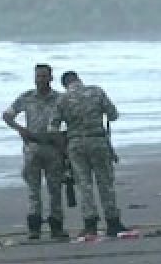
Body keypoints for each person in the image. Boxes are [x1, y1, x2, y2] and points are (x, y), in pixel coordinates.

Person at [49, 71, 129, 237]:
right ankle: (113, 222)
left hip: (76, 144)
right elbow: (113, 115)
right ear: (79, 80)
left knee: (84, 185)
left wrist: (63, 145)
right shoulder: (97, 91)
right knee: (105, 183)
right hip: (98, 141)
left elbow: (53, 128)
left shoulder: (62, 99)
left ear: (64, 84)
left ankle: (90, 224)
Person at [3, 64, 68, 239]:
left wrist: (64, 138)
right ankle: (34, 227)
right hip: (32, 147)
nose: (41, 80)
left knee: (55, 189)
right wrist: (20, 129)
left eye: (44, 76)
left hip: (53, 148)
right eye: (38, 76)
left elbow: (72, 118)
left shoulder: (60, 99)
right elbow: (7, 115)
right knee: (34, 190)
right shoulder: (27, 97)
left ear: (51, 78)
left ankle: (56, 226)